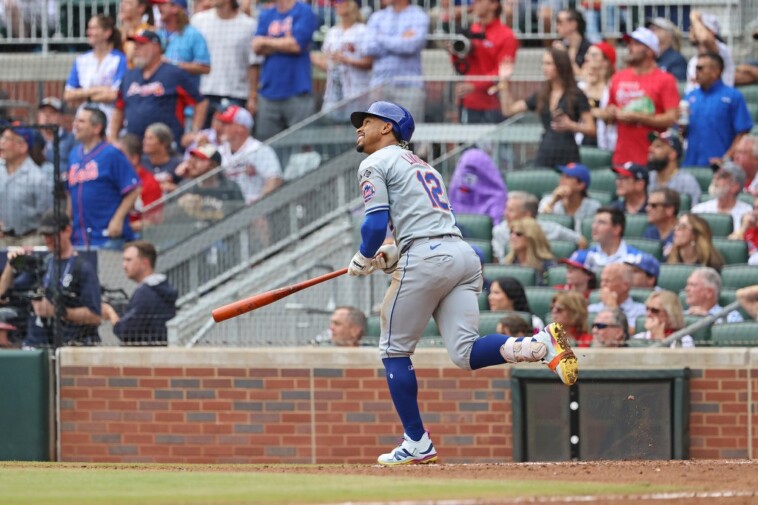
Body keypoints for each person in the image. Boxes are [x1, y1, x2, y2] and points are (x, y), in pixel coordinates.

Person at [346, 100, 577, 465]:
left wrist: (364, 255)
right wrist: (392, 252)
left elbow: (375, 225)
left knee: (393, 351)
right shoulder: (425, 167)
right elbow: (421, 223)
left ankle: (417, 441)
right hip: (461, 255)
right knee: (465, 353)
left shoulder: (374, 162)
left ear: (388, 127)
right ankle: (538, 345)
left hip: (428, 257)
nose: (360, 127)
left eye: (368, 121)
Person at [0, 210, 102, 348]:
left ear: (67, 231)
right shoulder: (43, 263)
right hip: (37, 343)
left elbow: (95, 317)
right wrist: (11, 265)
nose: (48, 240)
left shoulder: (82, 268)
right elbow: (3, 293)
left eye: (52, 235)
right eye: (44, 235)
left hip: (70, 344)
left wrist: (59, 311)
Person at [110, 29, 208, 150]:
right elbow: (119, 107)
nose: (136, 49)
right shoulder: (129, 76)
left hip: (166, 148)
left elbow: (201, 102)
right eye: (135, 44)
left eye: (142, 44)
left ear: (156, 47)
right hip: (134, 147)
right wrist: (113, 137)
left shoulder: (173, 73)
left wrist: (193, 132)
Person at [498, 47, 595, 168]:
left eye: (549, 64)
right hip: (545, 151)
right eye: (543, 63)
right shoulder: (542, 95)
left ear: (560, 66)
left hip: (568, 152)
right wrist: (504, 82)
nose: (544, 67)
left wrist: (571, 125)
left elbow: (591, 129)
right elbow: (509, 110)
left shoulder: (576, 94)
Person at [600, 26, 680, 166]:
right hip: (621, 156)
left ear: (650, 51)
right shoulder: (619, 77)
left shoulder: (666, 79)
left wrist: (638, 117)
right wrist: (611, 112)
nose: (630, 47)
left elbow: (671, 118)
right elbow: (609, 109)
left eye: (636, 44)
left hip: (650, 158)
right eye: (629, 43)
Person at [69, 106, 142, 249]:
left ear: (97, 128)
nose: (75, 125)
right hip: (79, 238)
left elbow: (134, 189)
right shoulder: (73, 154)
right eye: (76, 121)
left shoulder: (111, 153)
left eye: (81, 121)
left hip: (107, 236)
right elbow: (69, 194)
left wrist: (118, 219)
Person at [251, 0, 318, 140]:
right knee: (268, 148)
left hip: (298, 90)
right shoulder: (266, 14)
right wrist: (284, 42)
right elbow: (257, 47)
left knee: (301, 146)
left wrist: (266, 41)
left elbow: (296, 45)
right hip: (269, 92)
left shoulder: (304, 11)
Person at [191, 0, 261, 127]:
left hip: (237, 94)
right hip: (204, 93)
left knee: (233, 143)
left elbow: (253, 63)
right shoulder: (198, 21)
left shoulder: (249, 25)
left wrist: (253, 96)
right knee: (203, 144)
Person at [362, 0, 429, 125]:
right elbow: (368, 47)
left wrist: (380, 37)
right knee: (377, 137)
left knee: (411, 136)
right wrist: (400, 39)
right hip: (380, 85)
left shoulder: (419, 15)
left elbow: (410, 46)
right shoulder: (377, 17)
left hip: (410, 86)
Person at [450, 0, 517, 124]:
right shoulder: (471, 30)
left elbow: (502, 71)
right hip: (469, 102)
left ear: (494, 5)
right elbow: (460, 65)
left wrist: (475, 85)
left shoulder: (506, 35)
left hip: (494, 104)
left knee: (493, 143)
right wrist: (454, 51)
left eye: (480, 1)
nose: (475, 4)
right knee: (467, 143)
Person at [683, 53, 753, 168]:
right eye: (696, 68)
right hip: (691, 164)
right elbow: (683, 132)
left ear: (715, 71)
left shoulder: (733, 96)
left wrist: (725, 159)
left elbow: (743, 133)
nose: (696, 72)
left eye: (700, 68)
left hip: (719, 167)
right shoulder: (690, 97)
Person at [101, 240, 177, 344]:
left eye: (129, 260)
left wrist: (110, 312)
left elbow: (126, 332)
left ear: (144, 263)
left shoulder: (145, 293)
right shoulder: (160, 287)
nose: (124, 265)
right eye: (124, 260)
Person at [311, 0, 372, 122]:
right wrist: (311, 57)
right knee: (331, 132)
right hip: (332, 95)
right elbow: (326, 64)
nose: (338, 4)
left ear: (352, 5)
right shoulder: (333, 32)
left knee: (355, 133)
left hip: (357, 93)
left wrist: (346, 60)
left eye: (341, 1)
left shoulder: (363, 30)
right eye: (336, 2)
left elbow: (369, 63)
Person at [492, 190, 586, 262]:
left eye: (510, 210)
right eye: (506, 209)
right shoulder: (499, 231)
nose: (505, 214)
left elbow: (581, 241)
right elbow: (499, 260)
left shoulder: (549, 229)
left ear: (527, 215)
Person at [64, 14, 127, 120]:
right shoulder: (81, 60)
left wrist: (83, 96)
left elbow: (114, 95)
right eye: (88, 28)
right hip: (83, 118)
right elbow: (68, 94)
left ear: (107, 33)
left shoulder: (119, 59)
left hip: (109, 117)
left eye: (93, 28)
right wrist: (99, 89)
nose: (89, 32)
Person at [216, 105, 283, 205]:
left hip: (253, 208)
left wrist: (259, 205)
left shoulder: (259, 150)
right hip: (226, 208)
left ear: (241, 128)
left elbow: (275, 180)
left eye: (227, 124)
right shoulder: (220, 151)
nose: (222, 127)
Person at [0, 126, 53, 246]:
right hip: (3, 238)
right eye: (2, 137)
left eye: (7, 139)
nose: (1, 142)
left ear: (23, 147)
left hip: (30, 239)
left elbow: (47, 217)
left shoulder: (38, 178)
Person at [177, 144, 244, 224]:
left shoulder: (231, 188)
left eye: (198, 159)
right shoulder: (185, 187)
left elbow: (240, 217)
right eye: (192, 159)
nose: (191, 163)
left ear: (213, 165)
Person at [154, 0, 211, 89]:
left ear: (175, 8)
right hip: (160, 94)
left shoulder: (193, 34)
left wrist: (173, 64)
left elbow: (205, 68)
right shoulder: (157, 34)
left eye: (163, 4)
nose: (159, 8)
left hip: (185, 96)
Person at [113, 134, 163, 233]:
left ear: (134, 159)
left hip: (137, 237)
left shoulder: (150, 183)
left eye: (119, 155)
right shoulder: (108, 179)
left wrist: (123, 227)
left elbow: (153, 222)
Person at [448, 148, 507, 226]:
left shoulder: (497, 197)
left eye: (471, 170)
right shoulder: (455, 192)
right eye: (463, 169)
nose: (465, 177)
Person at [538, 163, 601, 231]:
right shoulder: (548, 201)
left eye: (567, 177)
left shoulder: (593, 207)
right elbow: (541, 227)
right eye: (562, 175)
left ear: (581, 185)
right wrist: (553, 202)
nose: (562, 179)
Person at [691, 162, 752, 231]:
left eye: (722, 176)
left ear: (734, 186)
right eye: (716, 174)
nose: (715, 178)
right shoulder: (699, 210)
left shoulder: (747, 213)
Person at [647, 129, 701, 205]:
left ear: (672, 154)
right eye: (652, 146)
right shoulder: (648, 178)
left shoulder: (686, 181)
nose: (650, 149)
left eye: (658, 146)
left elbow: (695, 213)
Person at [588, 263, 646, 333]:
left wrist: (613, 308)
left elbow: (629, 333)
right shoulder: (591, 309)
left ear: (625, 285)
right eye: (602, 281)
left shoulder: (640, 311)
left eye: (607, 281)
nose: (602, 285)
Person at [685, 11, 735, 94]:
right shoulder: (693, 60)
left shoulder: (722, 50)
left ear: (711, 32)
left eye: (696, 26)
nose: (691, 29)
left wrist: (694, 17)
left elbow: (705, 39)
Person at [579, 42, 616, 150]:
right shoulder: (580, 87)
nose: (587, 58)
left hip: (605, 142)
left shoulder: (612, 88)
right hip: (581, 140)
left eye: (594, 55)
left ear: (606, 62)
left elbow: (613, 114)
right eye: (587, 54)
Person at [584, 207, 642, 272]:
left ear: (617, 229)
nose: (594, 227)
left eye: (601, 222)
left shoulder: (635, 258)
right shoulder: (584, 256)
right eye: (594, 222)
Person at [502, 217, 556, 285]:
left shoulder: (547, 264)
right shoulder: (508, 262)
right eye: (511, 232)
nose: (512, 237)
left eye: (518, 234)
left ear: (531, 238)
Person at [36, 97, 77, 177]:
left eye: (52, 113)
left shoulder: (71, 140)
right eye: (43, 112)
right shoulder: (33, 138)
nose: (47, 116)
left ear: (62, 117)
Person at [141, 122, 183, 192]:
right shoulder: (141, 163)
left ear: (164, 143)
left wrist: (175, 188)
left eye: (150, 138)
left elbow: (186, 187)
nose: (145, 142)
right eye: (145, 137)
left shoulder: (178, 164)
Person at [646, 17, 687, 82]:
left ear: (669, 34)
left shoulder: (676, 59)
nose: (651, 32)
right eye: (650, 29)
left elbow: (678, 85)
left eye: (656, 29)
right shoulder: (648, 57)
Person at [643, 187, 680, 258]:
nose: (647, 209)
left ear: (669, 210)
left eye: (653, 205)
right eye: (647, 205)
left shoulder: (680, 233)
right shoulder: (649, 233)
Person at [552, 8, 591, 76]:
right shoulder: (558, 45)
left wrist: (565, 55)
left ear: (573, 24)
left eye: (560, 22)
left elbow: (581, 76)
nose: (557, 26)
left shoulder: (589, 48)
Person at [119, 0, 155, 68]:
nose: (122, 6)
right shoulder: (118, 32)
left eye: (128, 3)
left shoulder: (149, 31)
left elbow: (129, 57)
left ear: (141, 8)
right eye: (122, 2)